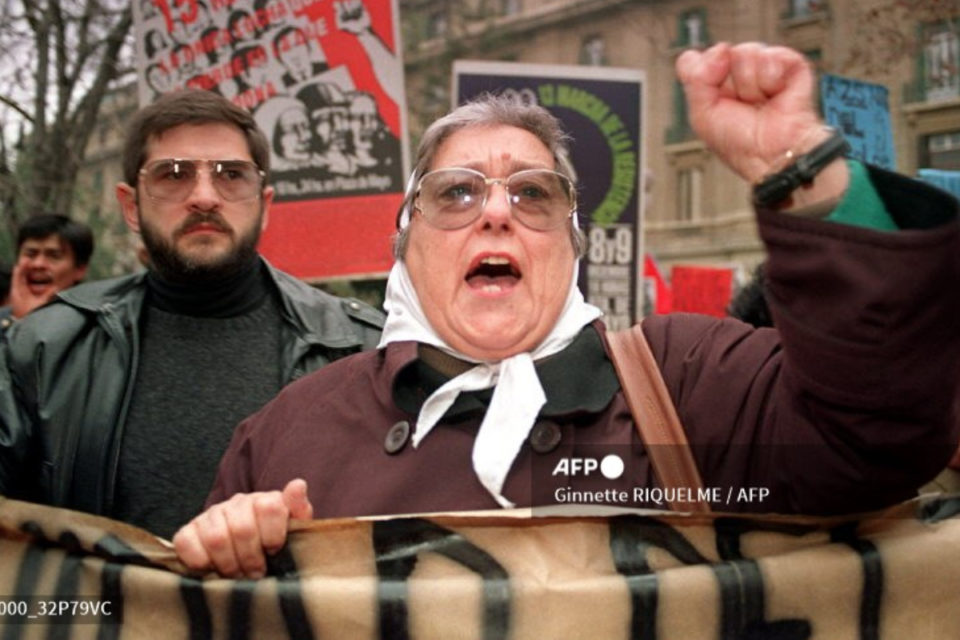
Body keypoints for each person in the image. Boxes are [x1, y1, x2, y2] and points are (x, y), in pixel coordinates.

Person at [173, 43, 960, 578]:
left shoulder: (685, 381)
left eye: (534, 194)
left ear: (571, 245)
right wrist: (220, 552)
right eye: (456, 194)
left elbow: (875, 433)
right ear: (404, 244)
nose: (496, 214)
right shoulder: (286, 433)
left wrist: (805, 171)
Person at [0, 89, 384, 539]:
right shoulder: (42, 349)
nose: (204, 197)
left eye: (232, 175)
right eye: (173, 174)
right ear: (130, 206)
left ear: (265, 205)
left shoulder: (361, 350)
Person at [0, 213, 93, 333]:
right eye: (31, 254)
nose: (38, 264)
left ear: (80, 269)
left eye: (54, 256)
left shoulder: (92, 332)